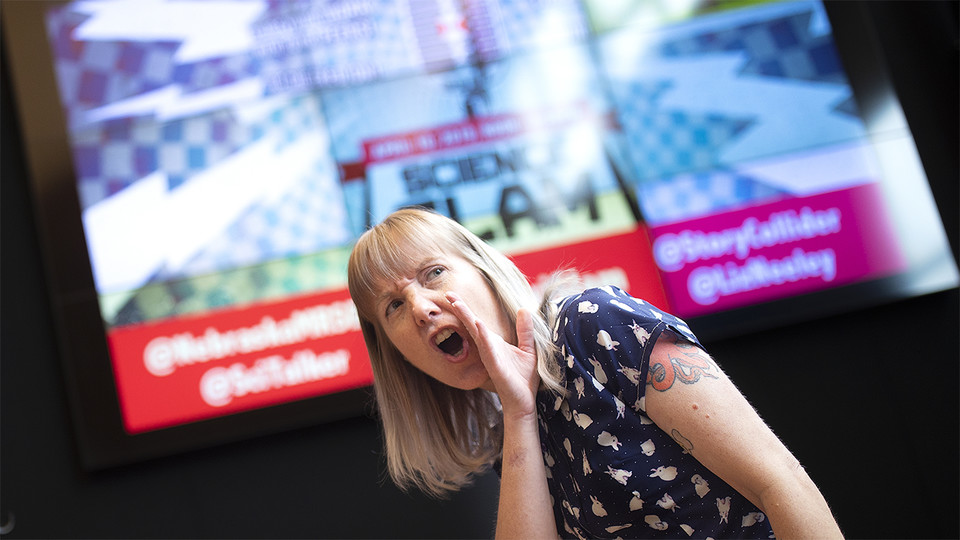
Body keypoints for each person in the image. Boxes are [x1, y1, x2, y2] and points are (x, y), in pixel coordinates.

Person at [347, 207, 843, 539]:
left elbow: (781, 482)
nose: (420, 307)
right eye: (392, 305)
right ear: (396, 355)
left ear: (483, 268)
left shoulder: (591, 324)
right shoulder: (513, 433)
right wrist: (519, 415)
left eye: (433, 273)